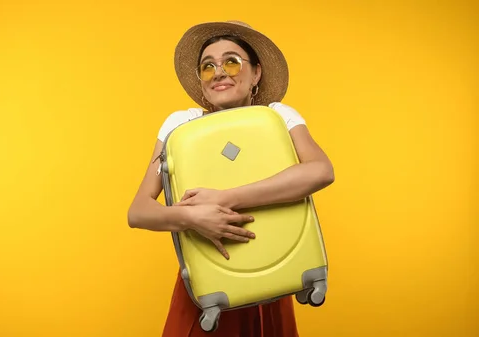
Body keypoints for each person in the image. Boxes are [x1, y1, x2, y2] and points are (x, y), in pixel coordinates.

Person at [127, 21, 334, 337]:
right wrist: (192, 216)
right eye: (207, 67)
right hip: (209, 282)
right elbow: (139, 210)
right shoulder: (180, 126)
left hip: (276, 274)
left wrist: (224, 199)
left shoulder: (279, 117)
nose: (219, 72)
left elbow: (320, 170)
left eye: (231, 62)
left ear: (257, 73)